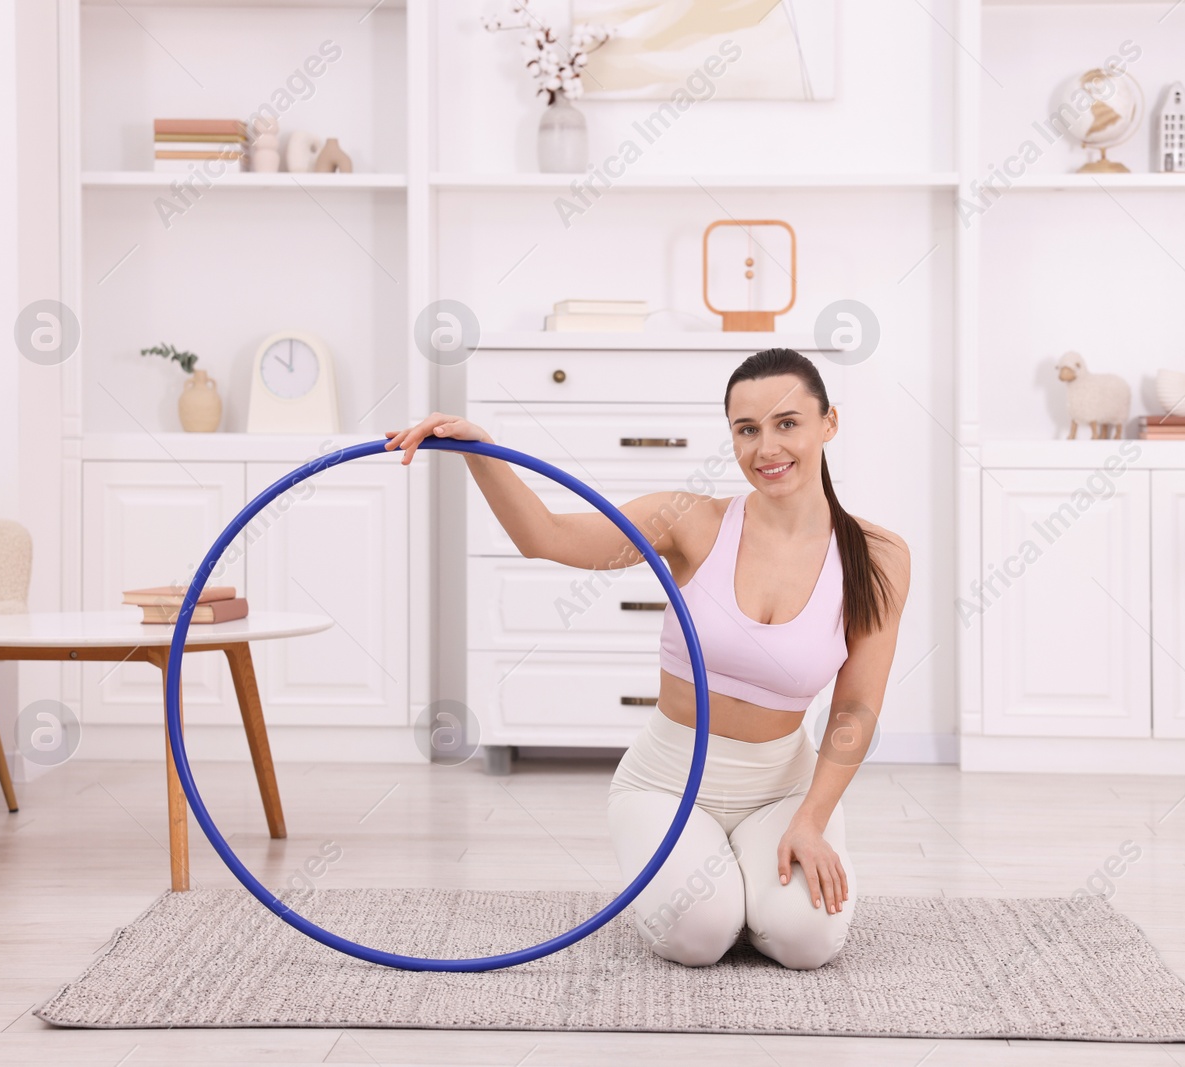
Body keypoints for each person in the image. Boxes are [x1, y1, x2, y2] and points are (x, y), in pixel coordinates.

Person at [384, 347, 910, 969]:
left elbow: (854, 708)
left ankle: (750, 885)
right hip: (666, 782)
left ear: (829, 423)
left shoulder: (877, 556)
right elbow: (545, 537)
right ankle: (720, 891)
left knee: (807, 943)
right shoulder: (692, 521)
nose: (767, 447)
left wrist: (811, 819)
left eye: (787, 422)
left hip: (783, 791)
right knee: (699, 937)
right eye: (747, 430)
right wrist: (481, 450)